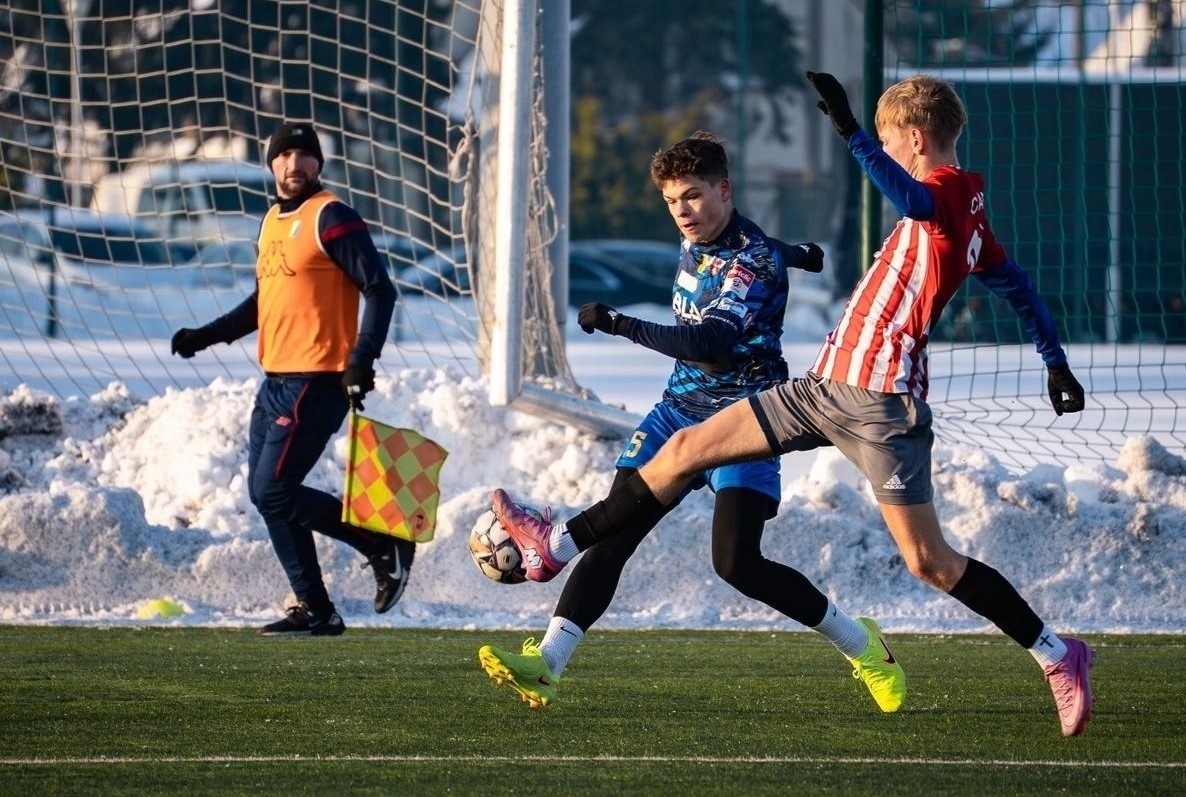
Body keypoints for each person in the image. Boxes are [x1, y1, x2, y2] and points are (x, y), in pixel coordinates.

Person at [491, 74, 1094, 737]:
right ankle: (552, 548)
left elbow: (915, 199)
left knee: (928, 561)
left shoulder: (944, 194)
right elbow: (1017, 282)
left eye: (894, 142)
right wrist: (1054, 359)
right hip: (817, 388)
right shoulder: (963, 213)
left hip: (881, 406)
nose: (887, 152)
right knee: (682, 450)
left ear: (915, 140)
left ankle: (1058, 655)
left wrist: (851, 134)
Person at [478, 131, 906, 714]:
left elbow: (710, 342)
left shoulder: (749, 259)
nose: (683, 211)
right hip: (675, 413)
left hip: (745, 423)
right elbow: (755, 247)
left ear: (724, 190)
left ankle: (864, 645)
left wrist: (619, 323)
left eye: (694, 196)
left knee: (738, 564)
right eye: (672, 200)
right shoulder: (717, 236)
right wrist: (798, 252)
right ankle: (548, 663)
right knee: (613, 536)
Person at [170, 121, 414, 636]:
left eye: (306, 156)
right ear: (272, 164)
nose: (294, 164)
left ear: (318, 165)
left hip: (317, 379)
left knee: (274, 490)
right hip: (275, 379)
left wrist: (361, 360)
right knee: (267, 496)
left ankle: (380, 543)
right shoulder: (272, 223)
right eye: (285, 156)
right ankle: (316, 610)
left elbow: (379, 289)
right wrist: (205, 336)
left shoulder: (331, 216)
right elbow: (265, 301)